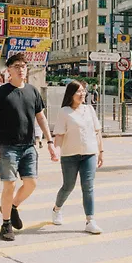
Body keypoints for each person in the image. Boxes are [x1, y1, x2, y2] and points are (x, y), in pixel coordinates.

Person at [0, 54, 56, 242]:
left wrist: (50, 142)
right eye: (16, 66)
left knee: (31, 183)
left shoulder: (33, 91)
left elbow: (41, 118)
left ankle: (12, 206)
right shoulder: (1, 93)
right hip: (8, 147)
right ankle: (6, 223)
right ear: (8, 70)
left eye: (24, 66)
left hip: (28, 146)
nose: (21, 69)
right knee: (9, 184)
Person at [51, 80, 104, 234]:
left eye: (83, 91)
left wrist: (101, 152)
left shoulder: (89, 109)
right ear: (71, 94)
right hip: (69, 155)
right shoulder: (64, 112)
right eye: (78, 91)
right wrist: (57, 150)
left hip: (89, 154)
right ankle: (56, 209)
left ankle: (90, 220)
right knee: (68, 186)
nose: (82, 94)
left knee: (88, 187)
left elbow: (97, 131)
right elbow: (59, 134)